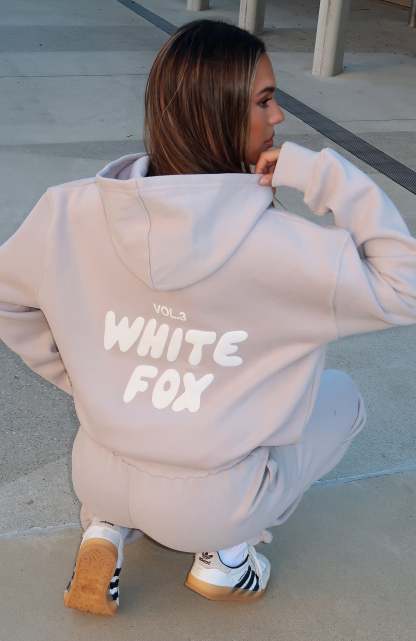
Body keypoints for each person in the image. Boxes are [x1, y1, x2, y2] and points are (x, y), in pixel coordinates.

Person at [1, 18, 416, 617]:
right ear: (214, 113)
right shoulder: (288, 250)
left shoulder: (69, 210)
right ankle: (226, 558)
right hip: (212, 502)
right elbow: (405, 287)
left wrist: (85, 376)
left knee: (129, 442)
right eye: (265, 101)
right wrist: (325, 176)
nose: (278, 116)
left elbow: (8, 298)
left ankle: (105, 530)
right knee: (343, 399)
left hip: (97, 470)